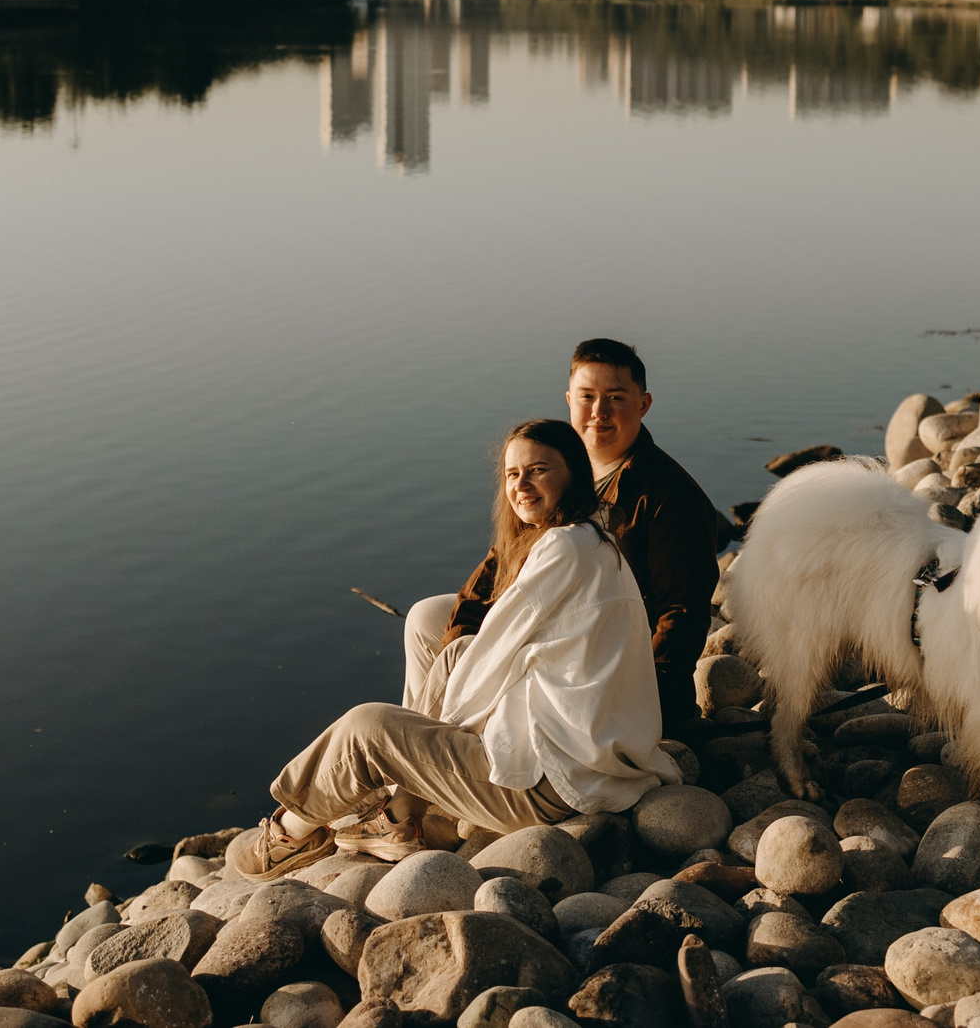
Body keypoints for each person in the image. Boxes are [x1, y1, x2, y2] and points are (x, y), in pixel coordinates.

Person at [228, 418, 679, 880]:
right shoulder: (592, 538)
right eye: (512, 474)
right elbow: (485, 650)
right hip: (585, 761)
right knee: (454, 653)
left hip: (549, 786)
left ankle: (287, 837)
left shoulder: (563, 549)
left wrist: (418, 746)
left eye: (538, 470)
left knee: (367, 728)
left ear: (574, 475)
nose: (521, 485)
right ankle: (398, 813)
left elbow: (490, 662)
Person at [405, 338, 720, 740]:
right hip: (546, 623)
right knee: (429, 619)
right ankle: (424, 739)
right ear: (570, 401)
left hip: (602, 658)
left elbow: (681, 614)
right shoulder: (555, 470)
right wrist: (464, 639)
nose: (599, 412)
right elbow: (500, 565)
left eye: (616, 397)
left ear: (643, 404)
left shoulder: (672, 497)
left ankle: (430, 748)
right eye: (587, 396)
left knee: (464, 656)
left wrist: (646, 706)